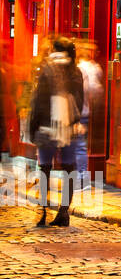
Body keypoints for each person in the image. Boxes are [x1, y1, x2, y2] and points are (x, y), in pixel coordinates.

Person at [27, 36, 85, 228]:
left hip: (46, 125)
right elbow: (79, 100)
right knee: (69, 168)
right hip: (67, 127)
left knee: (44, 168)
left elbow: (38, 100)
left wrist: (33, 126)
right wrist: (74, 122)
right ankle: (63, 212)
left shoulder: (47, 69)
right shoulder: (76, 71)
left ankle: (42, 210)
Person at [76, 40, 105, 158]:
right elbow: (95, 89)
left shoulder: (80, 67)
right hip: (84, 109)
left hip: (79, 110)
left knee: (77, 144)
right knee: (80, 144)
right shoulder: (91, 68)